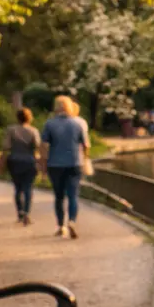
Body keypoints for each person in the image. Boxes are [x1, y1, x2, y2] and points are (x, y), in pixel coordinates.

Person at [41, 95, 90, 239]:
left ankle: (61, 226)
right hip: (75, 163)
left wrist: (43, 165)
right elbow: (86, 145)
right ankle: (72, 221)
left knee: (59, 196)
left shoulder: (50, 124)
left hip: (55, 164)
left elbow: (44, 145)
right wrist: (85, 159)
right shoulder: (78, 123)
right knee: (73, 195)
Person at [0, 108, 40, 226]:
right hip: (29, 161)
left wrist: (2, 163)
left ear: (18, 118)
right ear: (30, 118)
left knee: (18, 188)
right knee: (28, 188)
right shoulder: (33, 131)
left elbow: (6, 146)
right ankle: (27, 212)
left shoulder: (11, 130)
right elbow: (37, 145)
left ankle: (20, 212)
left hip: (15, 161)